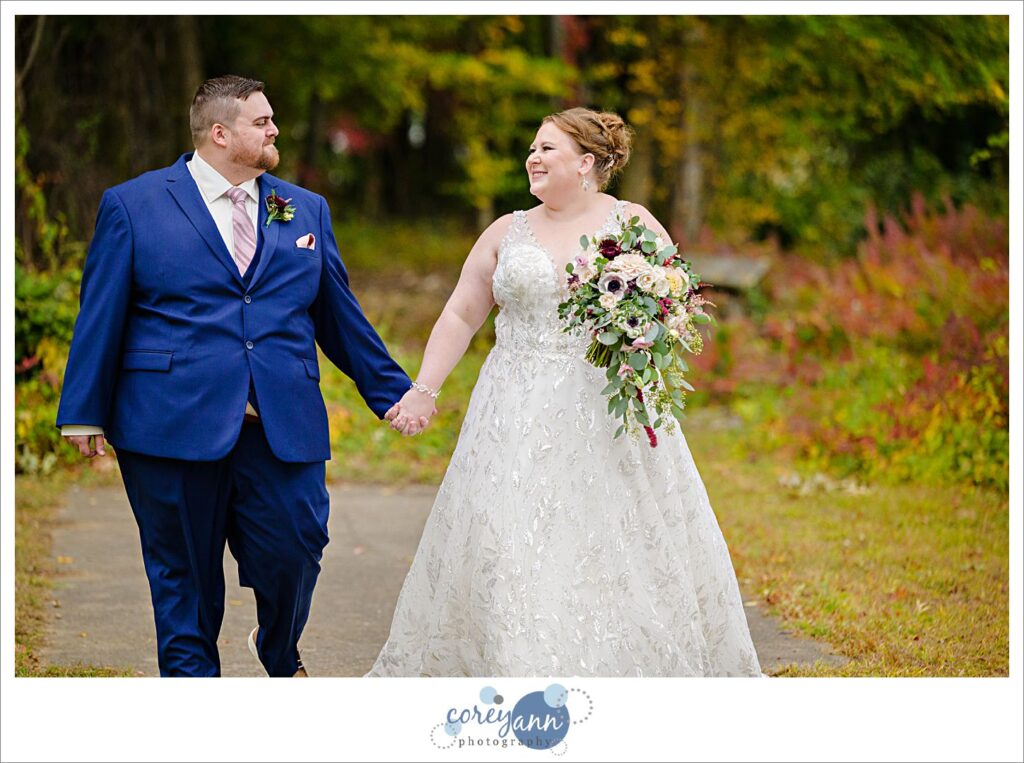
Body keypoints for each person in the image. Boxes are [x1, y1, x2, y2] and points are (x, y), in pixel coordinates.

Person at [370, 107, 762, 676]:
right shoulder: (507, 231)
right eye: (532, 147)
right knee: (505, 535)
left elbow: (675, 307)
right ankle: (515, 665)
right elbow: (460, 312)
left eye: (547, 148)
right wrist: (424, 389)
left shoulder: (633, 224)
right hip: (513, 408)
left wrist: (639, 333)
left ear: (585, 163)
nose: (532, 156)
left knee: (614, 539)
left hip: (606, 409)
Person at [55, 75, 424, 677]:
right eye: (263, 122)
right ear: (220, 133)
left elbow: (338, 314)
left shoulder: (305, 209)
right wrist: (83, 408)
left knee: (298, 548)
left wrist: (393, 391)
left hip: (281, 419)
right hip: (169, 422)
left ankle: (278, 646)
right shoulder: (134, 204)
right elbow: (103, 310)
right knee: (184, 579)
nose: (276, 129)